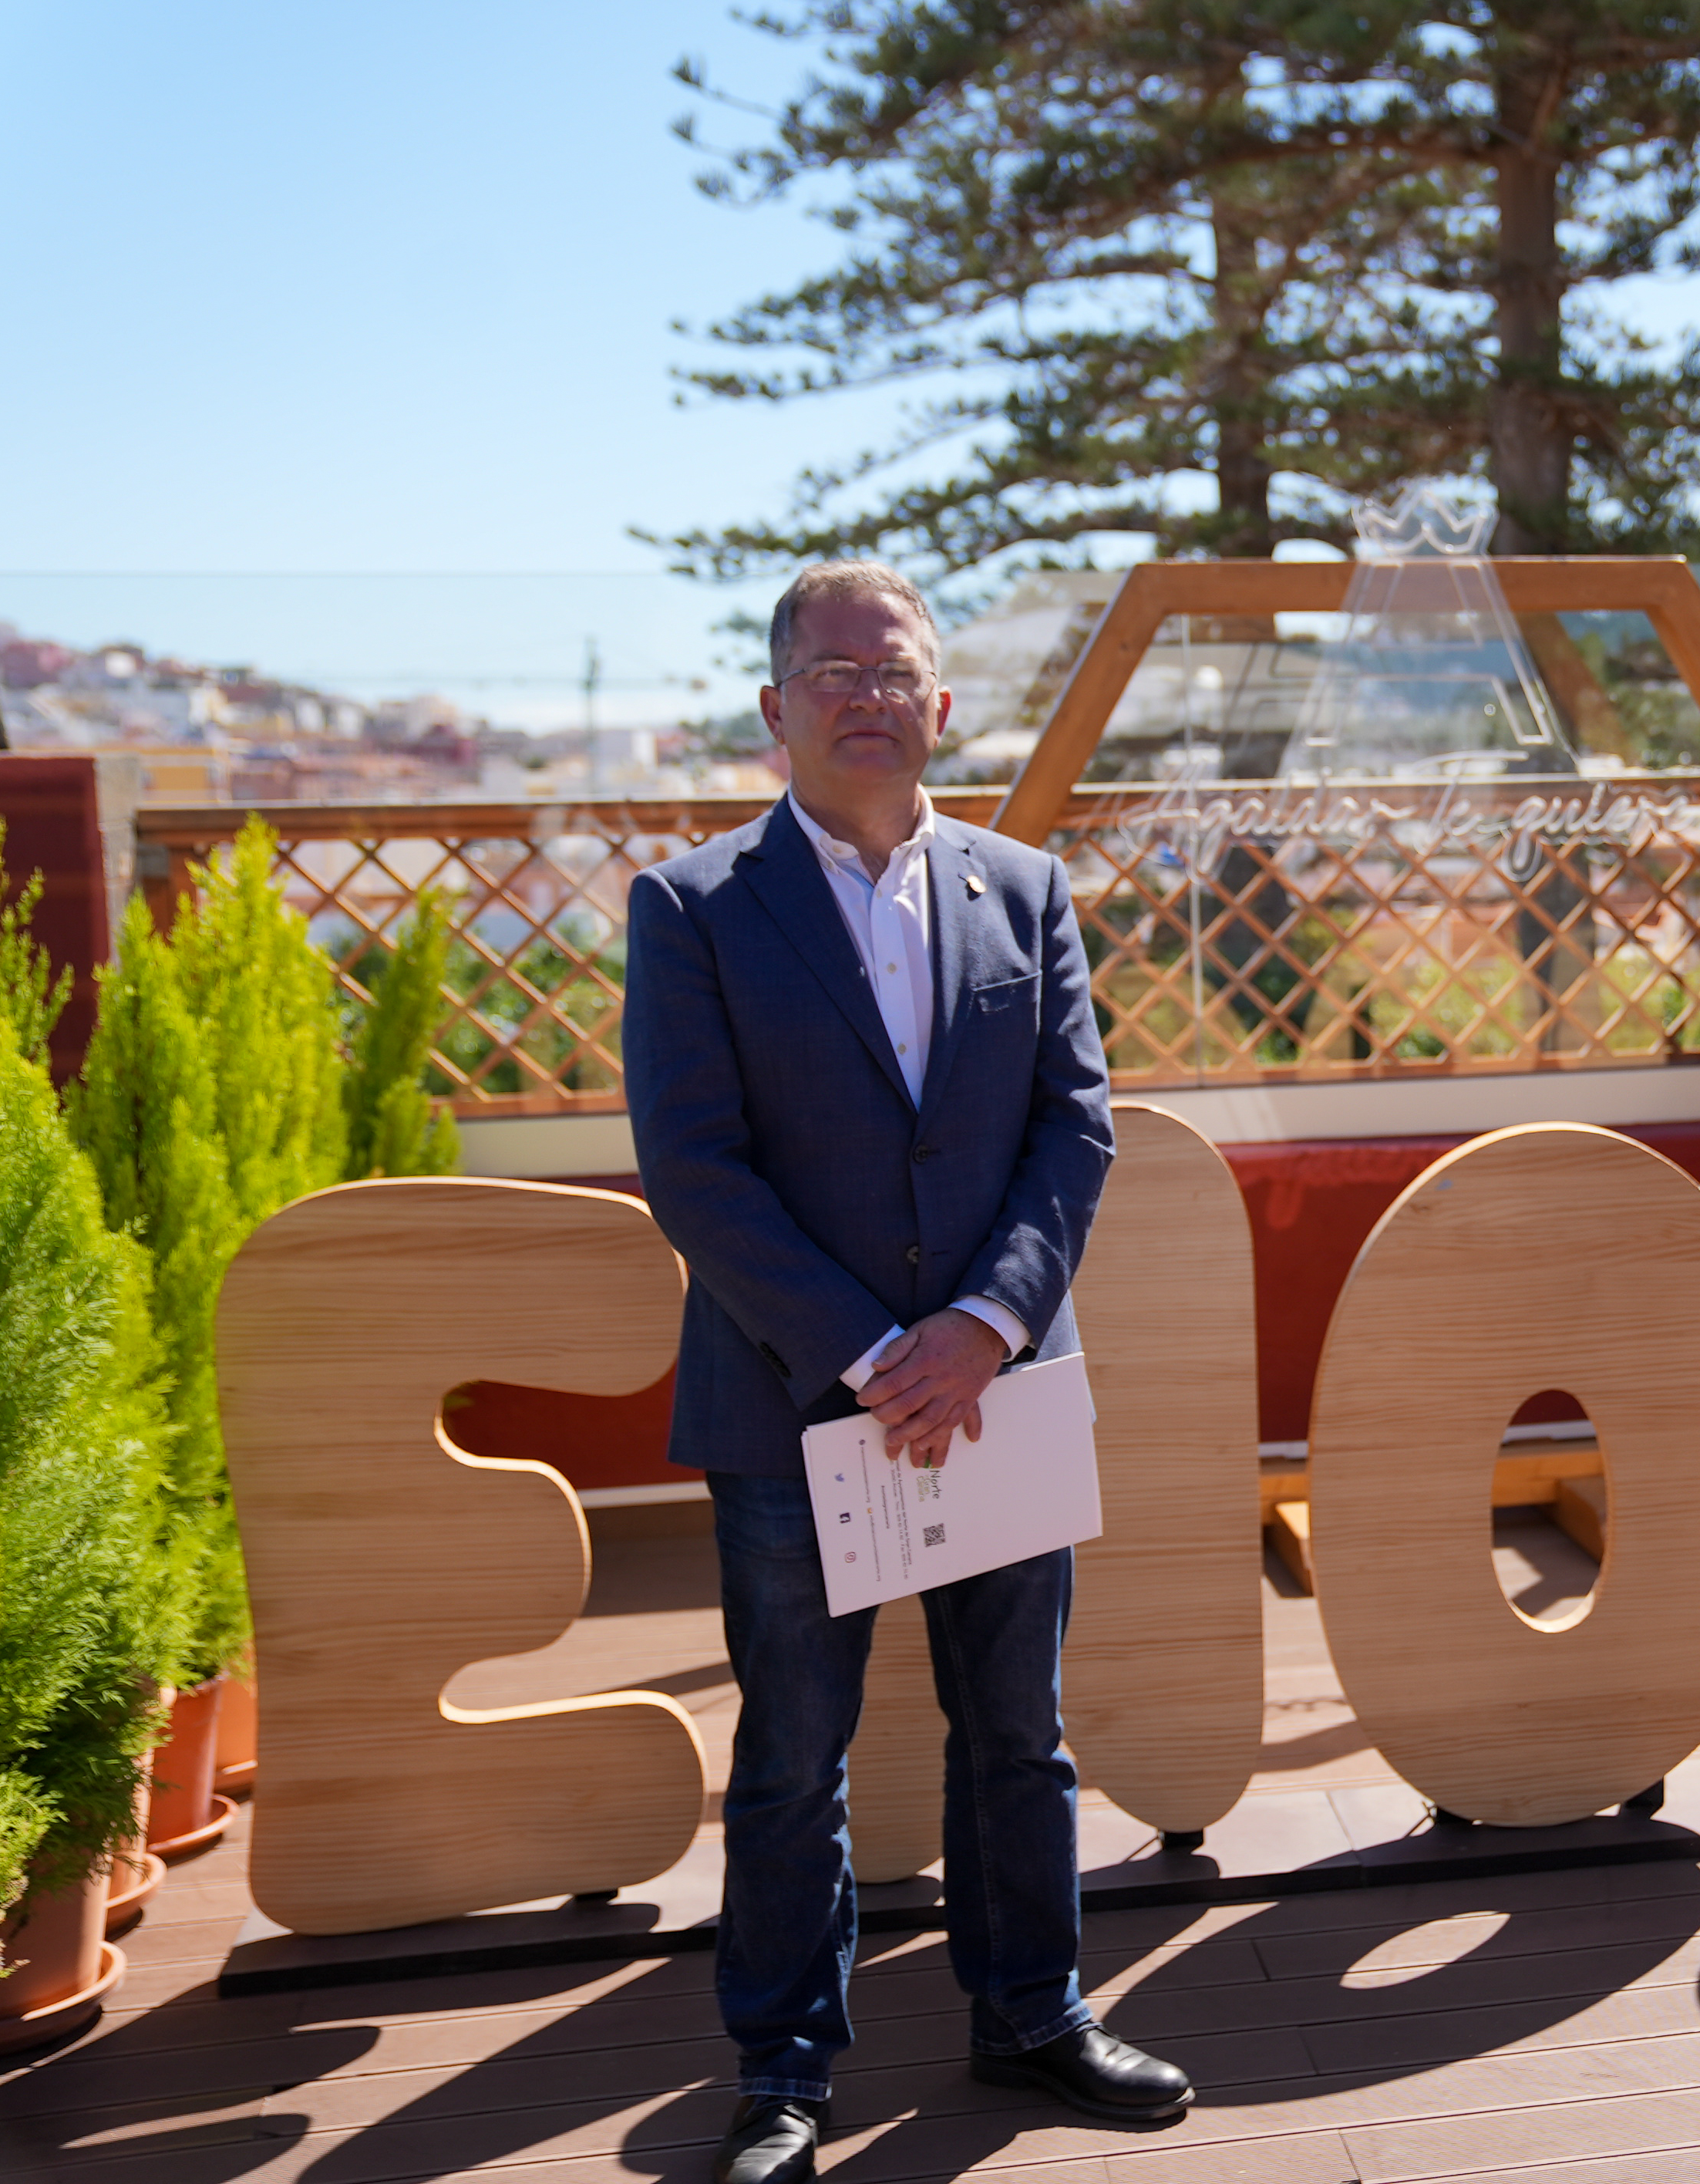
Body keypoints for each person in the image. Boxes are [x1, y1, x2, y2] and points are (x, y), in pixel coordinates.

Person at [624, 561, 1191, 2184]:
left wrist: (983, 1331)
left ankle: (1033, 2013)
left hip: (998, 1390)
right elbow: (697, 1171)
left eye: (897, 671)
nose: (866, 693)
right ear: (773, 709)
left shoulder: (1023, 888)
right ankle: (783, 2077)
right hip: (801, 1403)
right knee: (793, 1751)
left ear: (942, 704)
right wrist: (880, 1358)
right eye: (831, 670)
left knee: (1018, 1728)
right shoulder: (693, 910)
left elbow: (1068, 1127)